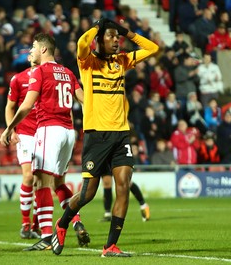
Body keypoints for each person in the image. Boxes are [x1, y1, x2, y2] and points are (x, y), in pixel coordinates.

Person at [50, 18, 159, 257]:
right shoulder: (88, 63)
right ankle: (62, 223)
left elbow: (153, 48)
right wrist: (98, 27)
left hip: (121, 134)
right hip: (96, 135)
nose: (115, 40)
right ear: (99, 40)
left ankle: (110, 246)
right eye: (110, 36)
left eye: (116, 37)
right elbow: (81, 42)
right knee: (88, 193)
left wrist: (128, 33)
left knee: (123, 186)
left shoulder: (122, 61)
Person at [0, 32, 89, 251]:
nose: (31, 50)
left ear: (43, 49)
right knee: (58, 182)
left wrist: (9, 128)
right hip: (69, 132)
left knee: (40, 181)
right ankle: (75, 220)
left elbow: (27, 105)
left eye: (33, 46)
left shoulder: (39, 71)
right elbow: (85, 100)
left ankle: (48, 236)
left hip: (49, 128)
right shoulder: (67, 72)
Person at [5, 56, 41, 240]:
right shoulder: (18, 79)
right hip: (26, 133)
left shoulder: (49, 76)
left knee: (42, 182)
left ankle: (36, 224)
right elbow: (10, 107)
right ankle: (26, 223)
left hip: (45, 132)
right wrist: (11, 130)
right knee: (28, 177)